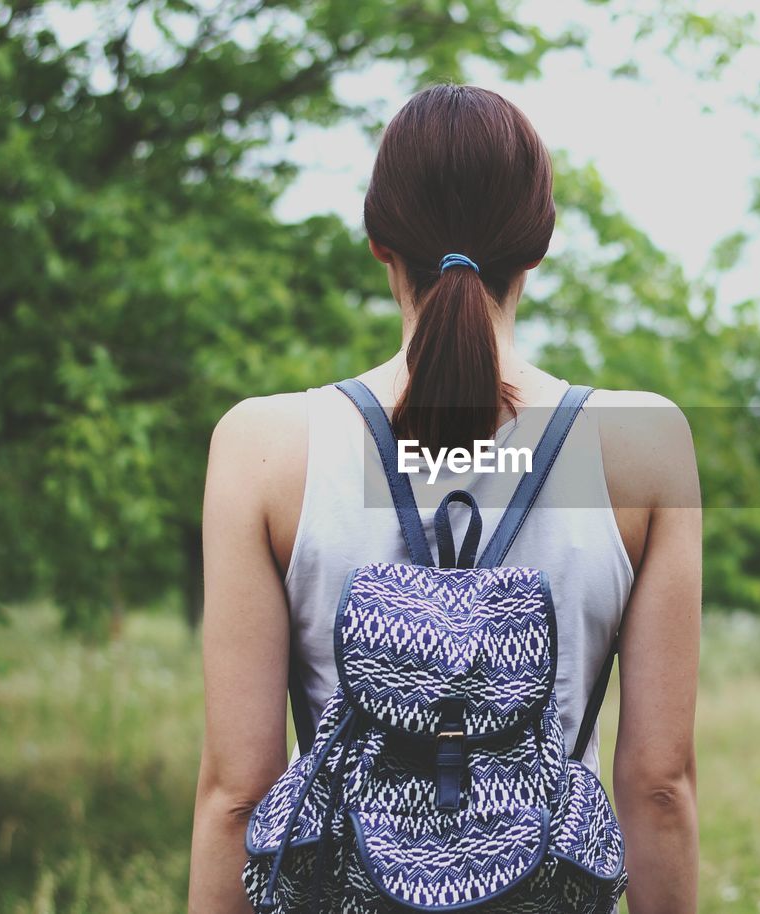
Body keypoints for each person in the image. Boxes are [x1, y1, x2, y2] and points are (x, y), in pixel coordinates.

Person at [187, 83, 702, 913]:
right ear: (537, 245)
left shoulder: (265, 447)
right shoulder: (641, 446)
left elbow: (237, 795)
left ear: (377, 239)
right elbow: (658, 789)